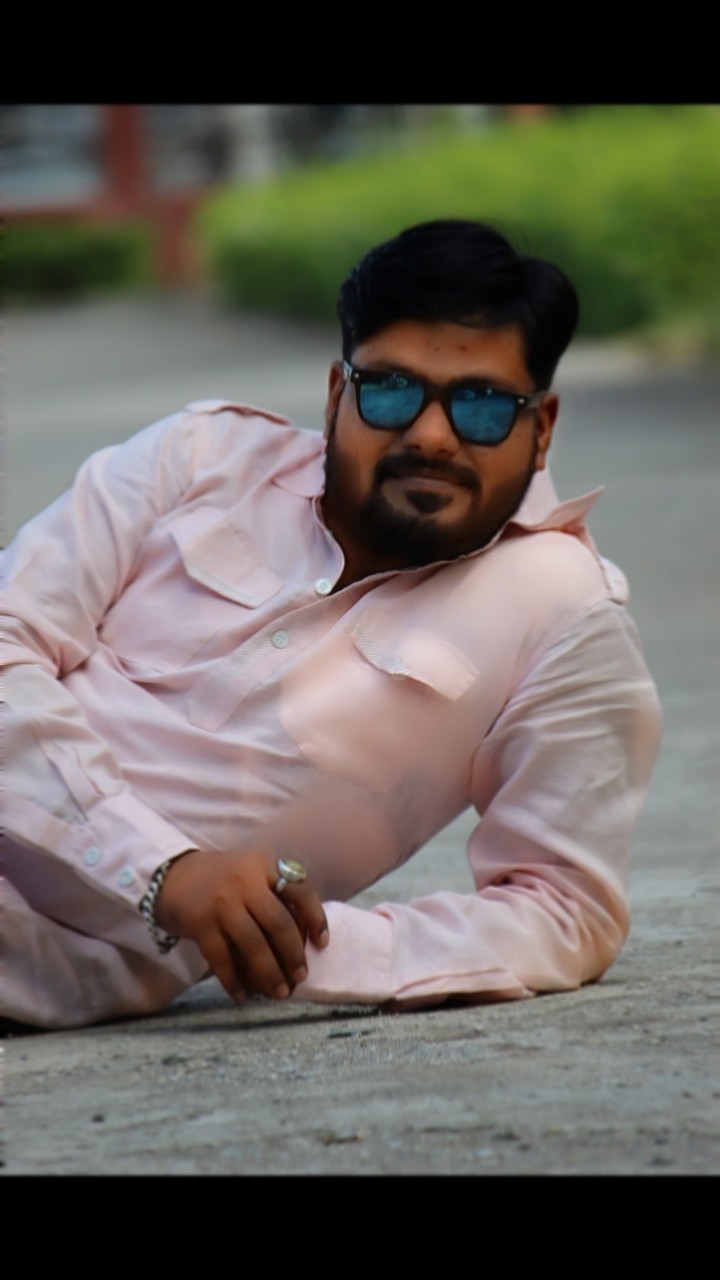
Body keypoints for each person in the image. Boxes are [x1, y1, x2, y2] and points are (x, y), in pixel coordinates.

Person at [2, 219, 662, 1029]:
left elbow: (566, 912)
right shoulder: (201, 456)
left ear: (543, 427)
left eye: (483, 406)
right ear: (334, 394)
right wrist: (162, 871)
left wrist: (302, 944)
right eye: (391, 390)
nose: (431, 435)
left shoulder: (560, 609)